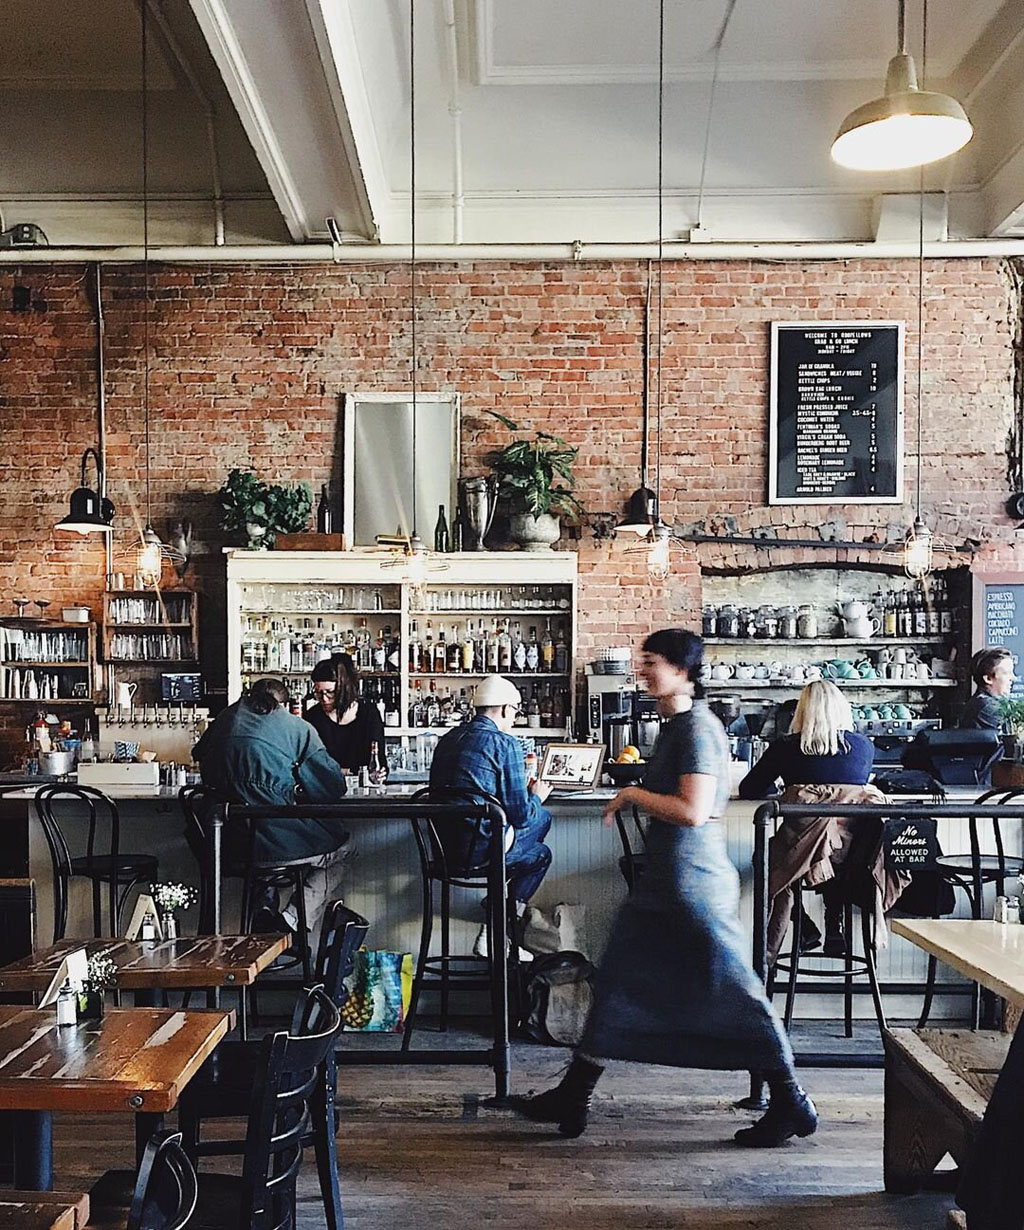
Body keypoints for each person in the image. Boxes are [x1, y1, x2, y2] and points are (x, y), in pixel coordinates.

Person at [511, 629, 817, 1147]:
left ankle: (791, 1101)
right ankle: (574, 1094)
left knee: (734, 992)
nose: (642, 670)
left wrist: (631, 792)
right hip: (668, 881)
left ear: (680, 669)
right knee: (619, 985)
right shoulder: (677, 726)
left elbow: (693, 812)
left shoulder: (697, 728)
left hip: (691, 884)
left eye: (651, 661)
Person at [192, 678, 350, 937]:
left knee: (260, 858)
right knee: (345, 849)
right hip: (274, 840)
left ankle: (263, 903)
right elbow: (332, 787)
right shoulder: (294, 726)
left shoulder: (225, 718)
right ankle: (291, 920)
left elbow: (198, 755)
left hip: (224, 844)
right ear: (285, 705)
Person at [739, 680, 876, 958]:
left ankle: (801, 923)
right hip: (853, 855)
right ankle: (834, 921)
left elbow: (750, 788)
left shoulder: (786, 747)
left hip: (799, 856)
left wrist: (786, 792)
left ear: (802, 711)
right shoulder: (864, 747)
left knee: (764, 858)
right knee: (829, 847)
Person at [429, 673, 552, 959]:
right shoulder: (504, 743)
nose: (515, 718)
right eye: (515, 712)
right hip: (480, 852)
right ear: (507, 708)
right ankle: (498, 924)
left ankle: (496, 913)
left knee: (537, 824)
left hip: (443, 851)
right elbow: (521, 816)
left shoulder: (448, 739)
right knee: (541, 845)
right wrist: (537, 795)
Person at [306, 653, 388, 777]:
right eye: (318, 693)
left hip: (364, 789)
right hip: (324, 791)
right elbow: (310, 765)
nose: (324, 698)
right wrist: (352, 772)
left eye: (330, 692)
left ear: (343, 689)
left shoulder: (368, 713)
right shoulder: (312, 717)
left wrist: (380, 773)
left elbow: (378, 758)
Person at [959, 646, 1015, 729]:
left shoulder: (983, 703)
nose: (1013, 678)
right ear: (988, 679)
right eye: (1006, 673)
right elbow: (1014, 737)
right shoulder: (987, 707)